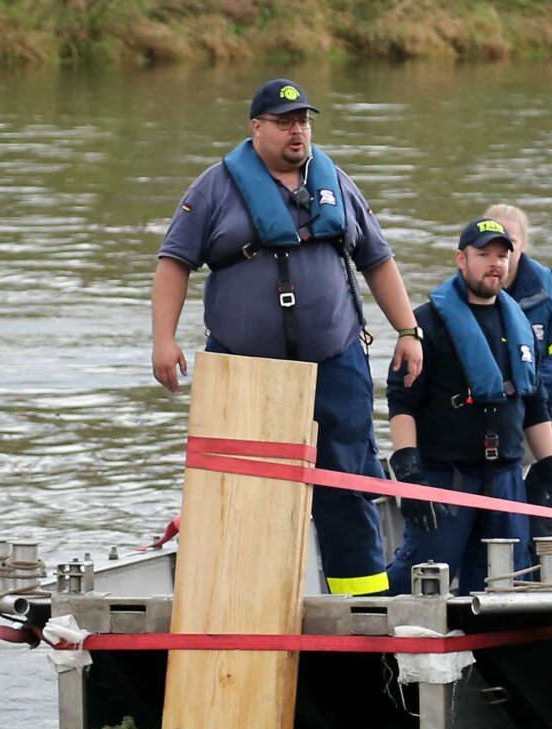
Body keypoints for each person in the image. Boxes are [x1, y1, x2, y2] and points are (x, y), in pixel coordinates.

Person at [151, 77, 423, 595]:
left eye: (303, 121)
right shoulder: (214, 187)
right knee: (243, 489)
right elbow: (173, 264)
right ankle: (244, 603)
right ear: (257, 128)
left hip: (335, 362)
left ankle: (360, 604)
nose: (297, 132)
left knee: (348, 484)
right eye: (284, 123)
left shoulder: (336, 182)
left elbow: (378, 260)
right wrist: (164, 340)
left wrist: (408, 331)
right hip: (244, 368)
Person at [384, 218, 552, 594]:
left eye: (502, 255)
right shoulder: (425, 323)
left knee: (501, 589)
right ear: (461, 260)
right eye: (483, 254)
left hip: (505, 482)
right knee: (418, 586)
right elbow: (402, 400)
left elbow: (534, 403)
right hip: (445, 482)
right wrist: (410, 474)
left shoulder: (519, 324)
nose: (494, 263)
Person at [484, 201, 552, 535]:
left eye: (510, 240)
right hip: (492, 417)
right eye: (493, 243)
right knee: (500, 513)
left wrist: (530, 389)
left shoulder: (548, 289)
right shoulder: (469, 291)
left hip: (548, 413)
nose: (503, 251)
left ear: (523, 245)